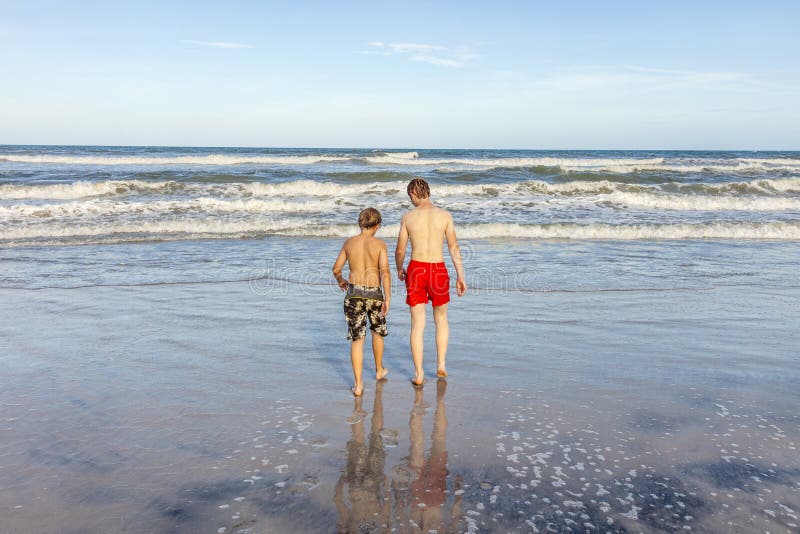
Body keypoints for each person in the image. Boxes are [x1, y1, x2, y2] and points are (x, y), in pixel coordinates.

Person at [395, 179, 466, 386]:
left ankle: (418, 374)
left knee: (417, 324)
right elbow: (454, 247)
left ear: (413, 194)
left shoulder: (408, 217)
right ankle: (441, 364)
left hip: (417, 269)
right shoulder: (444, 216)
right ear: (428, 192)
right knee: (441, 318)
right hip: (438, 268)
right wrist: (461, 275)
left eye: (410, 197)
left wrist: (399, 268)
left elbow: (400, 250)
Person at [333, 207, 391, 396]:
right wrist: (387, 298)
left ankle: (358, 385)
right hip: (374, 294)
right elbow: (385, 272)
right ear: (377, 225)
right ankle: (379, 369)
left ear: (360, 223)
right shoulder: (380, 244)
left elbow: (336, 269)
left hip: (353, 295)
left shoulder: (349, 243)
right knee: (377, 333)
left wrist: (342, 281)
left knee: (357, 340)